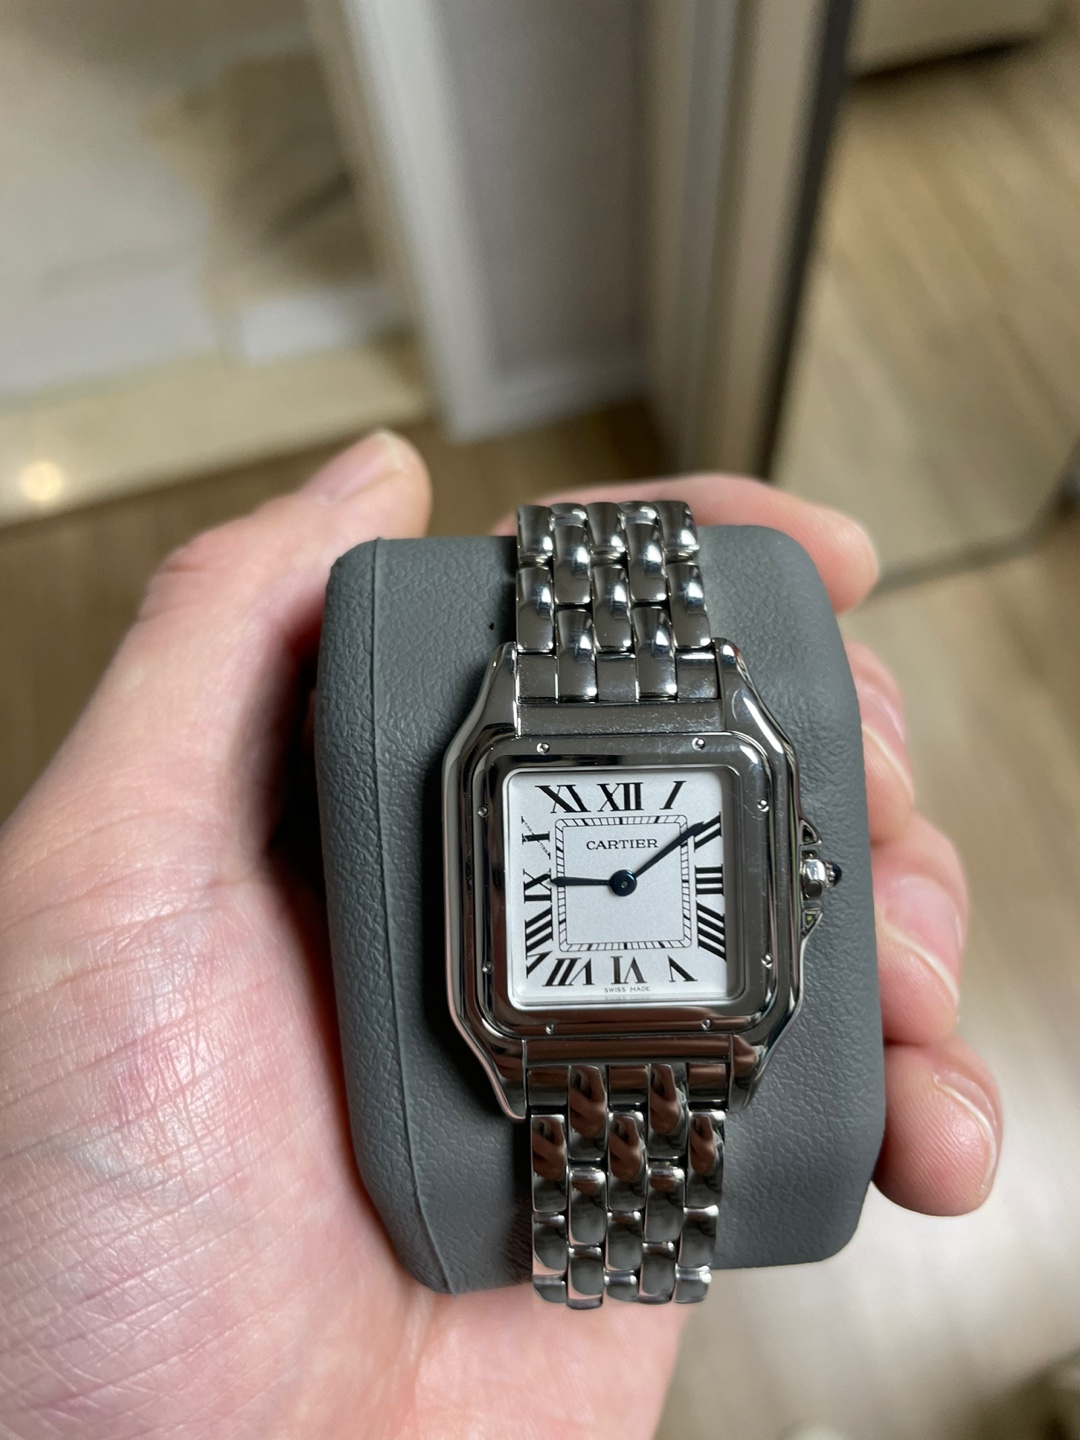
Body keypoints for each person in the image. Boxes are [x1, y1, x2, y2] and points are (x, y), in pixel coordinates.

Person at [0, 431, 1000, 1440]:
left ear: (799, 874)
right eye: (621, 876)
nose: (623, 879)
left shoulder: (679, 841)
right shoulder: (538, 792)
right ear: (804, 873)